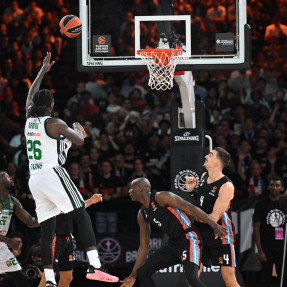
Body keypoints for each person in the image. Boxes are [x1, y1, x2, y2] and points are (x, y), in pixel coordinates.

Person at [25, 52, 118, 287]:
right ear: (52, 105)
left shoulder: (29, 117)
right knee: (81, 215)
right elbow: (79, 141)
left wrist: (42, 71)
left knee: (48, 231)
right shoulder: (55, 123)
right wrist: (76, 127)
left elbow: (31, 94)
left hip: (34, 178)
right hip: (52, 173)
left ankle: (48, 280)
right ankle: (95, 266)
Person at [120, 177, 227, 287]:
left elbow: (191, 208)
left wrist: (214, 224)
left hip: (189, 238)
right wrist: (133, 275)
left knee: (192, 278)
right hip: (173, 244)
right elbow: (143, 246)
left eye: (132, 188)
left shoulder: (161, 197)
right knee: (142, 273)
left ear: (141, 188)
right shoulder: (141, 214)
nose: (129, 191)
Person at [186, 147, 240, 287]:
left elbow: (214, 218)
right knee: (191, 278)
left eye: (210, 155)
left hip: (220, 234)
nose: (206, 156)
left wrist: (191, 215)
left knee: (229, 280)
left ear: (217, 163)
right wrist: (192, 192)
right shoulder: (204, 177)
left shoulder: (227, 186)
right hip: (201, 233)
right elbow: (202, 205)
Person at [38, 194, 103, 287]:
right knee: (49, 277)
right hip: (54, 238)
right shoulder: (48, 192)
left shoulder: (66, 192)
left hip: (67, 238)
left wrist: (91, 201)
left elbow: (76, 208)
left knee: (67, 278)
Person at [0, 171, 39, 287]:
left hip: (1, 247)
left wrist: (47, 219)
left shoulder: (13, 202)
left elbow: (30, 222)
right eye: (7, 177)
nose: (11, 178)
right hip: (4, 241)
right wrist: (7, 240)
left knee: (22, 280)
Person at [253, 176, 287, 287]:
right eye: (272, 185)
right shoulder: (261, 204)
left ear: (282, 188)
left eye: (277, 185)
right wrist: (260, 250)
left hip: (283, 246)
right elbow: (256, 228)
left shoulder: (285, 202)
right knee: (266, 277)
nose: (274, 187)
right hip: (267, 246)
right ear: (268, 187)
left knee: (283, 276)